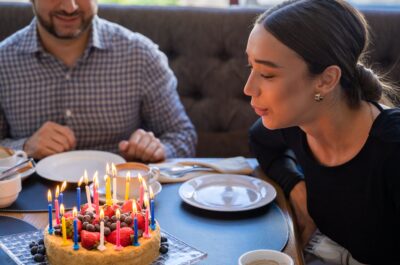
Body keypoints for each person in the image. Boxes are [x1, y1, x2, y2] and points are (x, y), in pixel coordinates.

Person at [244, 0, 399, 264]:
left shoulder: (392, 148)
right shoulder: (295, 123)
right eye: (251, 68)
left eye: (267, 74)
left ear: (326, 80)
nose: (248, 88)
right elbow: (260, 140)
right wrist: (295, 186)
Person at [0, 0, 197, 162]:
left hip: (120, 200)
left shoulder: (140, 55)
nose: (70, 7)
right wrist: (24, 148)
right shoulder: (3, 62)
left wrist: (157, 150)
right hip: (30, 202)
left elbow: (183, 136)